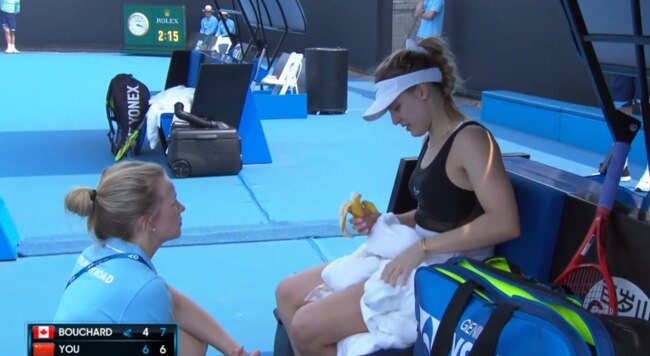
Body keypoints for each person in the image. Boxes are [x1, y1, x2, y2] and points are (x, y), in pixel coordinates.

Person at [275, 36, 520, 355]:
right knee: (287, 293)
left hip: (446, 270)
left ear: (422, 91)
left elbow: (505, 222)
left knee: (306, 326)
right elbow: (436, 212)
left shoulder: (472, 140)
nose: (394, 120)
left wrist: (422, 247)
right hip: (420, 254)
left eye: (397, 108)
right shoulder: (433, 137)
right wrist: (384, 220)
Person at [54, 161, 259, 356]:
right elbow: (155, 295)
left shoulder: (95, 253)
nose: (182, 207)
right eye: (173, 202)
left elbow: (176, 304)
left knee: (190, 340)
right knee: (186, 343)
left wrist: (233, 350)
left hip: (63, 346)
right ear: (147, 222)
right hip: (86, 345)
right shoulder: (145, 288)